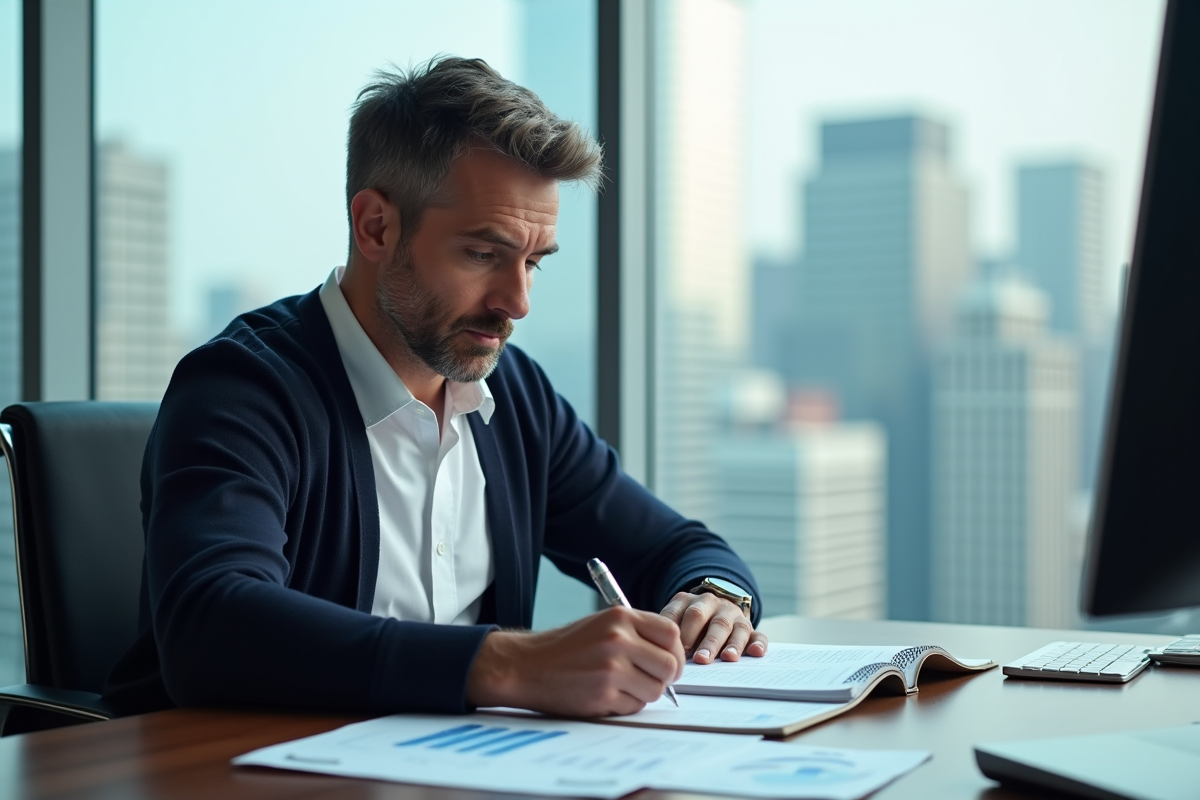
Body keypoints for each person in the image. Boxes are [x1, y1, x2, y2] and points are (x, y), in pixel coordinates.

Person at [105, 57, 767, 719]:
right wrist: (508, 664)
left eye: (533, 262)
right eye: (483, 254)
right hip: (239, 763)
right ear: (376, 227)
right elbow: (211, 625)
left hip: (454, 761)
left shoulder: (517, 397)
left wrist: (714, 599)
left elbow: (677, 548)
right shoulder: (242, 388)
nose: (517, 302)